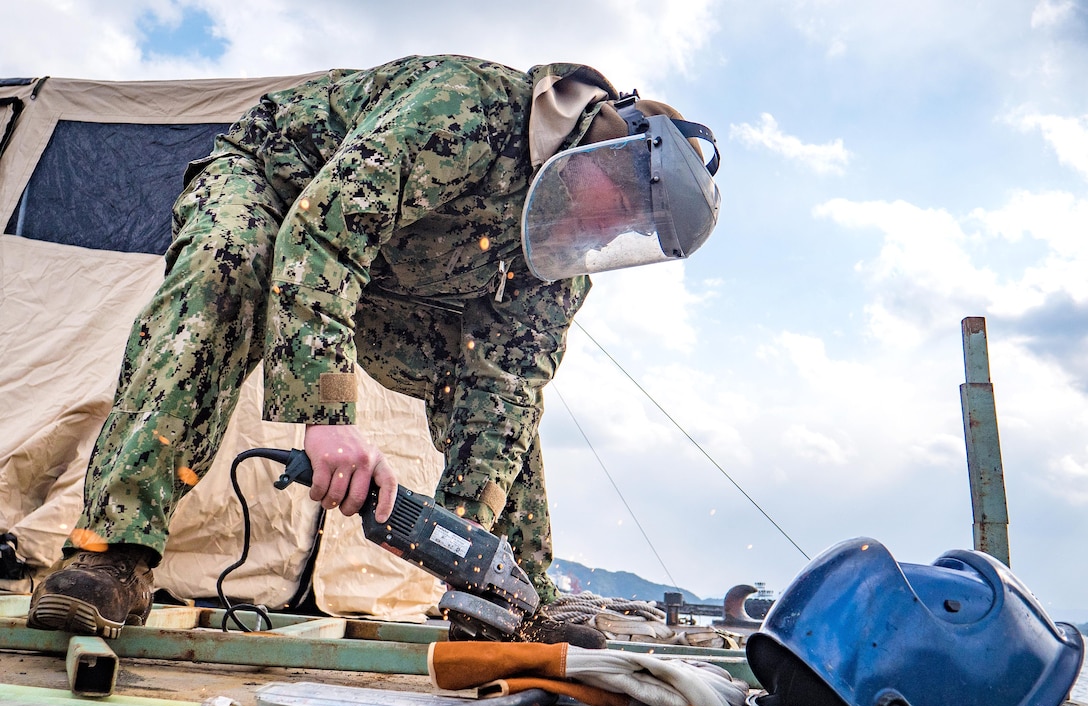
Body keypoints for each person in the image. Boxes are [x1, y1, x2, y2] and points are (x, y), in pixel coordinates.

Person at [27, 54, 720, 646]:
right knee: (230, 267)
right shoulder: (469, 112)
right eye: (621, 204)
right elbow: (324, 232)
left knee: (494, 390)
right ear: (606, 144)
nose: (607, 232)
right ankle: (111, 551)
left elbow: (505, 393)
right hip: (279, 185)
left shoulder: (556, 258)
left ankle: (516, 594)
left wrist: (466, 551)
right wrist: (326, 423)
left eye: (628, 228)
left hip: (391, 272)